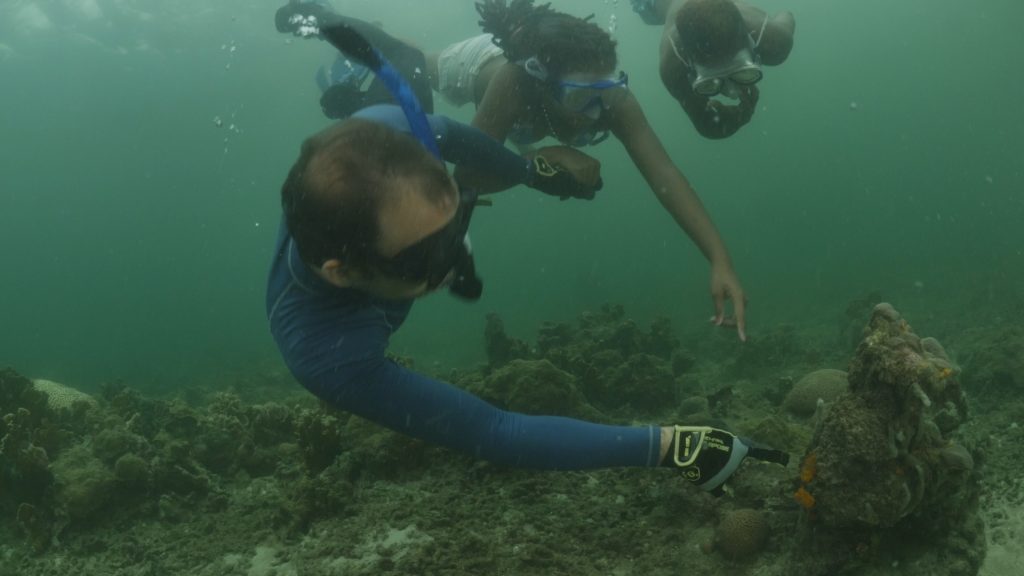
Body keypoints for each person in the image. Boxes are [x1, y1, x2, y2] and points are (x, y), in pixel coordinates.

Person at [268, 23, 787, 492]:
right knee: (407, 63)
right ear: (345, 273)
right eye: (423, 258)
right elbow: (495, 430)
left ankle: (338, 29)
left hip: (385, 127)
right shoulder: (328, 355)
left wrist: (531, 174)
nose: (451, 266)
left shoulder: (395, 129)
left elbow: (455, 140)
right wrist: (671, 447)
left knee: (398, 71)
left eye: (453, 229)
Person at [630, 0, 795, 139]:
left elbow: (787, 16)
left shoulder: (772, 38)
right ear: (690, 68)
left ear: (753, 45)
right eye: (710, 83)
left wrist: (739, 116)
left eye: (744, 71)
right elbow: (706, 123)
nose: (732, 92)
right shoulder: (673, 66)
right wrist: (741, 116)